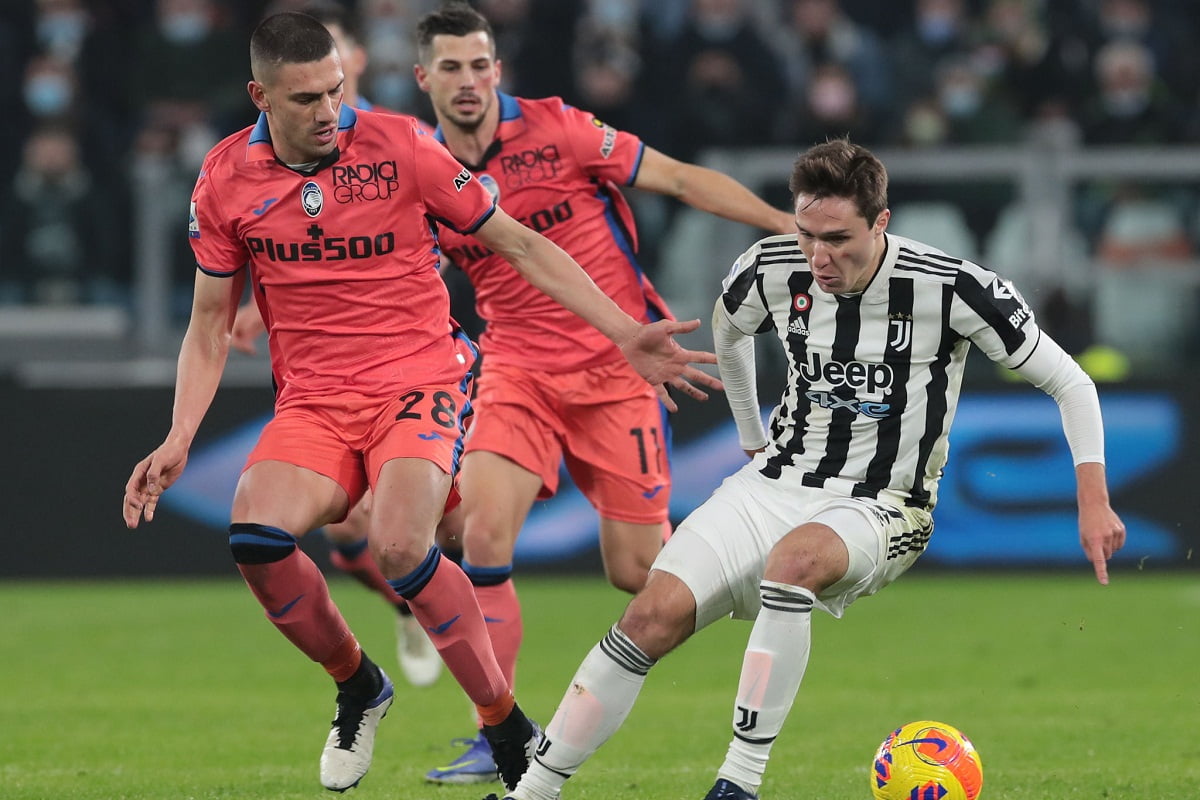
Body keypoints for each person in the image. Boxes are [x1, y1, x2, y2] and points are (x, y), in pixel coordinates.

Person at [120, 11, 721, 794]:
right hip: (315, 402)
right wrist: (179, 436)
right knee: (255, 538)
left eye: (336, 90)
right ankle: (358, 685)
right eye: (305, 98)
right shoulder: (225, 178)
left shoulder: (401, 145)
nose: (328, 111)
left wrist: (625, 331)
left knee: (401, 546)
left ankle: (504, 724)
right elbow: (207, 324)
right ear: (260, 96)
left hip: (420, 381)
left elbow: (518, 242)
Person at [489, 138, 1127, 800]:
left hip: (885, 503)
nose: (819, 256)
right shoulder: (770, 267)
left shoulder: (951, 287)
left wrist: (1093, 498)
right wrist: (750, 436)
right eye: (806, 234)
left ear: (880, 222)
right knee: (649, 618)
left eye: (838, 238)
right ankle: (531, 793)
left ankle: (738, 784)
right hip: (773, 483)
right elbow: (729, 330)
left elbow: (1071, 383)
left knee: (793, 562)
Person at [410, 3, 794, 785]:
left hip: (620, 367)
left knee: (638, 571)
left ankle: (768, 570)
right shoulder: (421, 171)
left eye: (479, 65)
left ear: (497, 70)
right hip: (516, 368)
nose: (468, 81)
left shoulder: (559, 129)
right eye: (451, 67)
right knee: (483, 535)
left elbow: (678, 177)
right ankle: (499, 733)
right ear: (424, 78)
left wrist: (783, 223)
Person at [229, 0, 445, 691]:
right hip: (328, 376)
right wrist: (255, 312)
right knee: (351, 538)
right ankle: (407, 608)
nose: (327, 94)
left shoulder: (395, 139)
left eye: (340, 65)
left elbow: (465, 232)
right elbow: (300, 247)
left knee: (411, 531)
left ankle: (446, 626)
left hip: (417, 354)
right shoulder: (274, 151)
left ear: (354, 62)